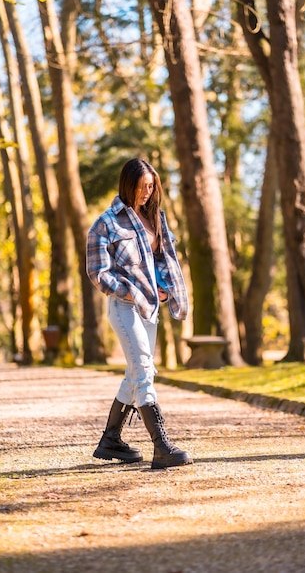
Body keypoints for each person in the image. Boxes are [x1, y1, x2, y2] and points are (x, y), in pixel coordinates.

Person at [86, 157, 193, 469]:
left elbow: (161, 260)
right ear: (127, 184)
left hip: (150, 307)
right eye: (142, 186)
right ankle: (161, 446)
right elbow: (97, 272)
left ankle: (111, 440)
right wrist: (130, 290)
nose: (147, 192)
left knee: (136, 372)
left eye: (151, 186)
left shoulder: (155, 217)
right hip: (124, 307)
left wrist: (162, 287)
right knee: (144, 368)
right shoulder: (106, 223)